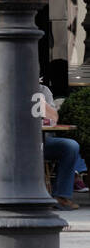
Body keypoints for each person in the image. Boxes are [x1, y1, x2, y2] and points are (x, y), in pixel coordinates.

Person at [37, 82, 81, 212]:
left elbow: (53, 119)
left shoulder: (43, 90)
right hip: (16, 144)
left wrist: (39, 101)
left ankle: (61, 197)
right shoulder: (10, 90)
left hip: (43, 141)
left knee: (70, 146)